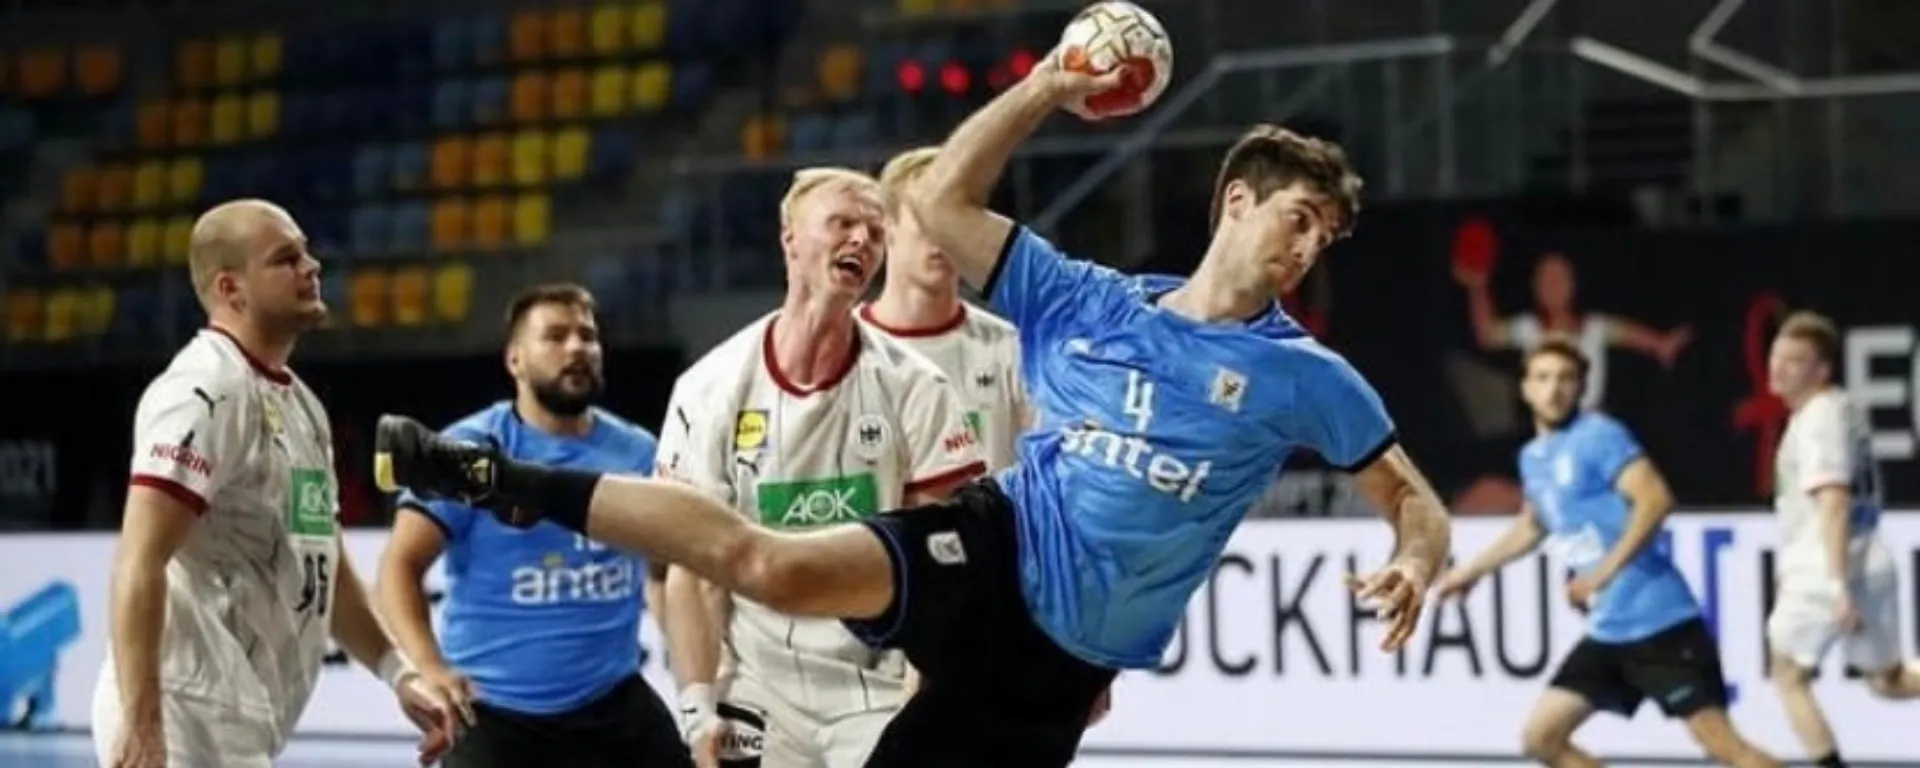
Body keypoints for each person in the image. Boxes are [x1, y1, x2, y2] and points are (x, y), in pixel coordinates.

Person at [373, 57, 1450, 768]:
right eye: (1298, 219)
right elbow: (935, 204)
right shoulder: (1088, 300)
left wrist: (1413, 555)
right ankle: (499, 481)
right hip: (994, 546)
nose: (1307, 248)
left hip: (1060, 664)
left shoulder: (1309, 374)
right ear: (1236, 203)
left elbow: (1416, 500)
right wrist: (1049, 85)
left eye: (1326, 237)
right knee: (771, 565)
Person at [96, 199, 460, 768]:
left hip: (243, 721)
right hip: (183, 711)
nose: (312, 266)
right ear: (230, 288)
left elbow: (326, 569)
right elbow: (138, 563)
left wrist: (400, 674)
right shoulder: (202, 393)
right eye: (286, 258)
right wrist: (144, 727)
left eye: (307, 251)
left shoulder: (303, 407)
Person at [655, 166, 987, 768]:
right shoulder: (708, 389)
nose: (862, 240)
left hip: (876, 686)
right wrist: (698, 707)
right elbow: (693, 570)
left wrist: (924, 701)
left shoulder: (918, 389)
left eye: (874, 232)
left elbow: (946, 567)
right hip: (756, 686)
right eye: (842, 224)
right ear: (790, 239)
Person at [375, 283, 692, 768]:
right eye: (556, 336)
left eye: (587, 336)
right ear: (515, 360)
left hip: (614, 703)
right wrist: (429, 667)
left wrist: (693, 669)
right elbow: (399, 565)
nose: (576, 349)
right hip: (497, 715)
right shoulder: (465, 452)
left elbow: (662, 572)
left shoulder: (638, 451)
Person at [1435, 339, 1779, 768]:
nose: (1554, 389)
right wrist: (1471, 571)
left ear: (1581, 387)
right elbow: (1534, 524)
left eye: (1566, 379)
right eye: (1542, 378)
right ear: (1525, 388)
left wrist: (1601, 575)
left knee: (1723, 747)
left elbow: (1655, 499)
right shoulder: (1533, 457)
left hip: (1661, 622)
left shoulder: (1600, 435)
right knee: (1542, 738)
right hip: (1608, 630)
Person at [1762, 311, 1919, 768]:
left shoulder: (1819, 418)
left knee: (1788, 674)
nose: (1779, 368)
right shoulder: (1842, 408)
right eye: (1777, 356)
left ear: (1822, 370)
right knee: (1888, 680)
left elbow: (1833, 500)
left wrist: (1835, 585)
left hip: (1829, 568)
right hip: (1868, 560)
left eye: (1796, 360)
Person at [858, 146, 1029, 472]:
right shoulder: (845, 351)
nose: (942, 237)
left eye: (953, 221)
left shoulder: (1011, 349)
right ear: (886, 226)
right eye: (926, 220)